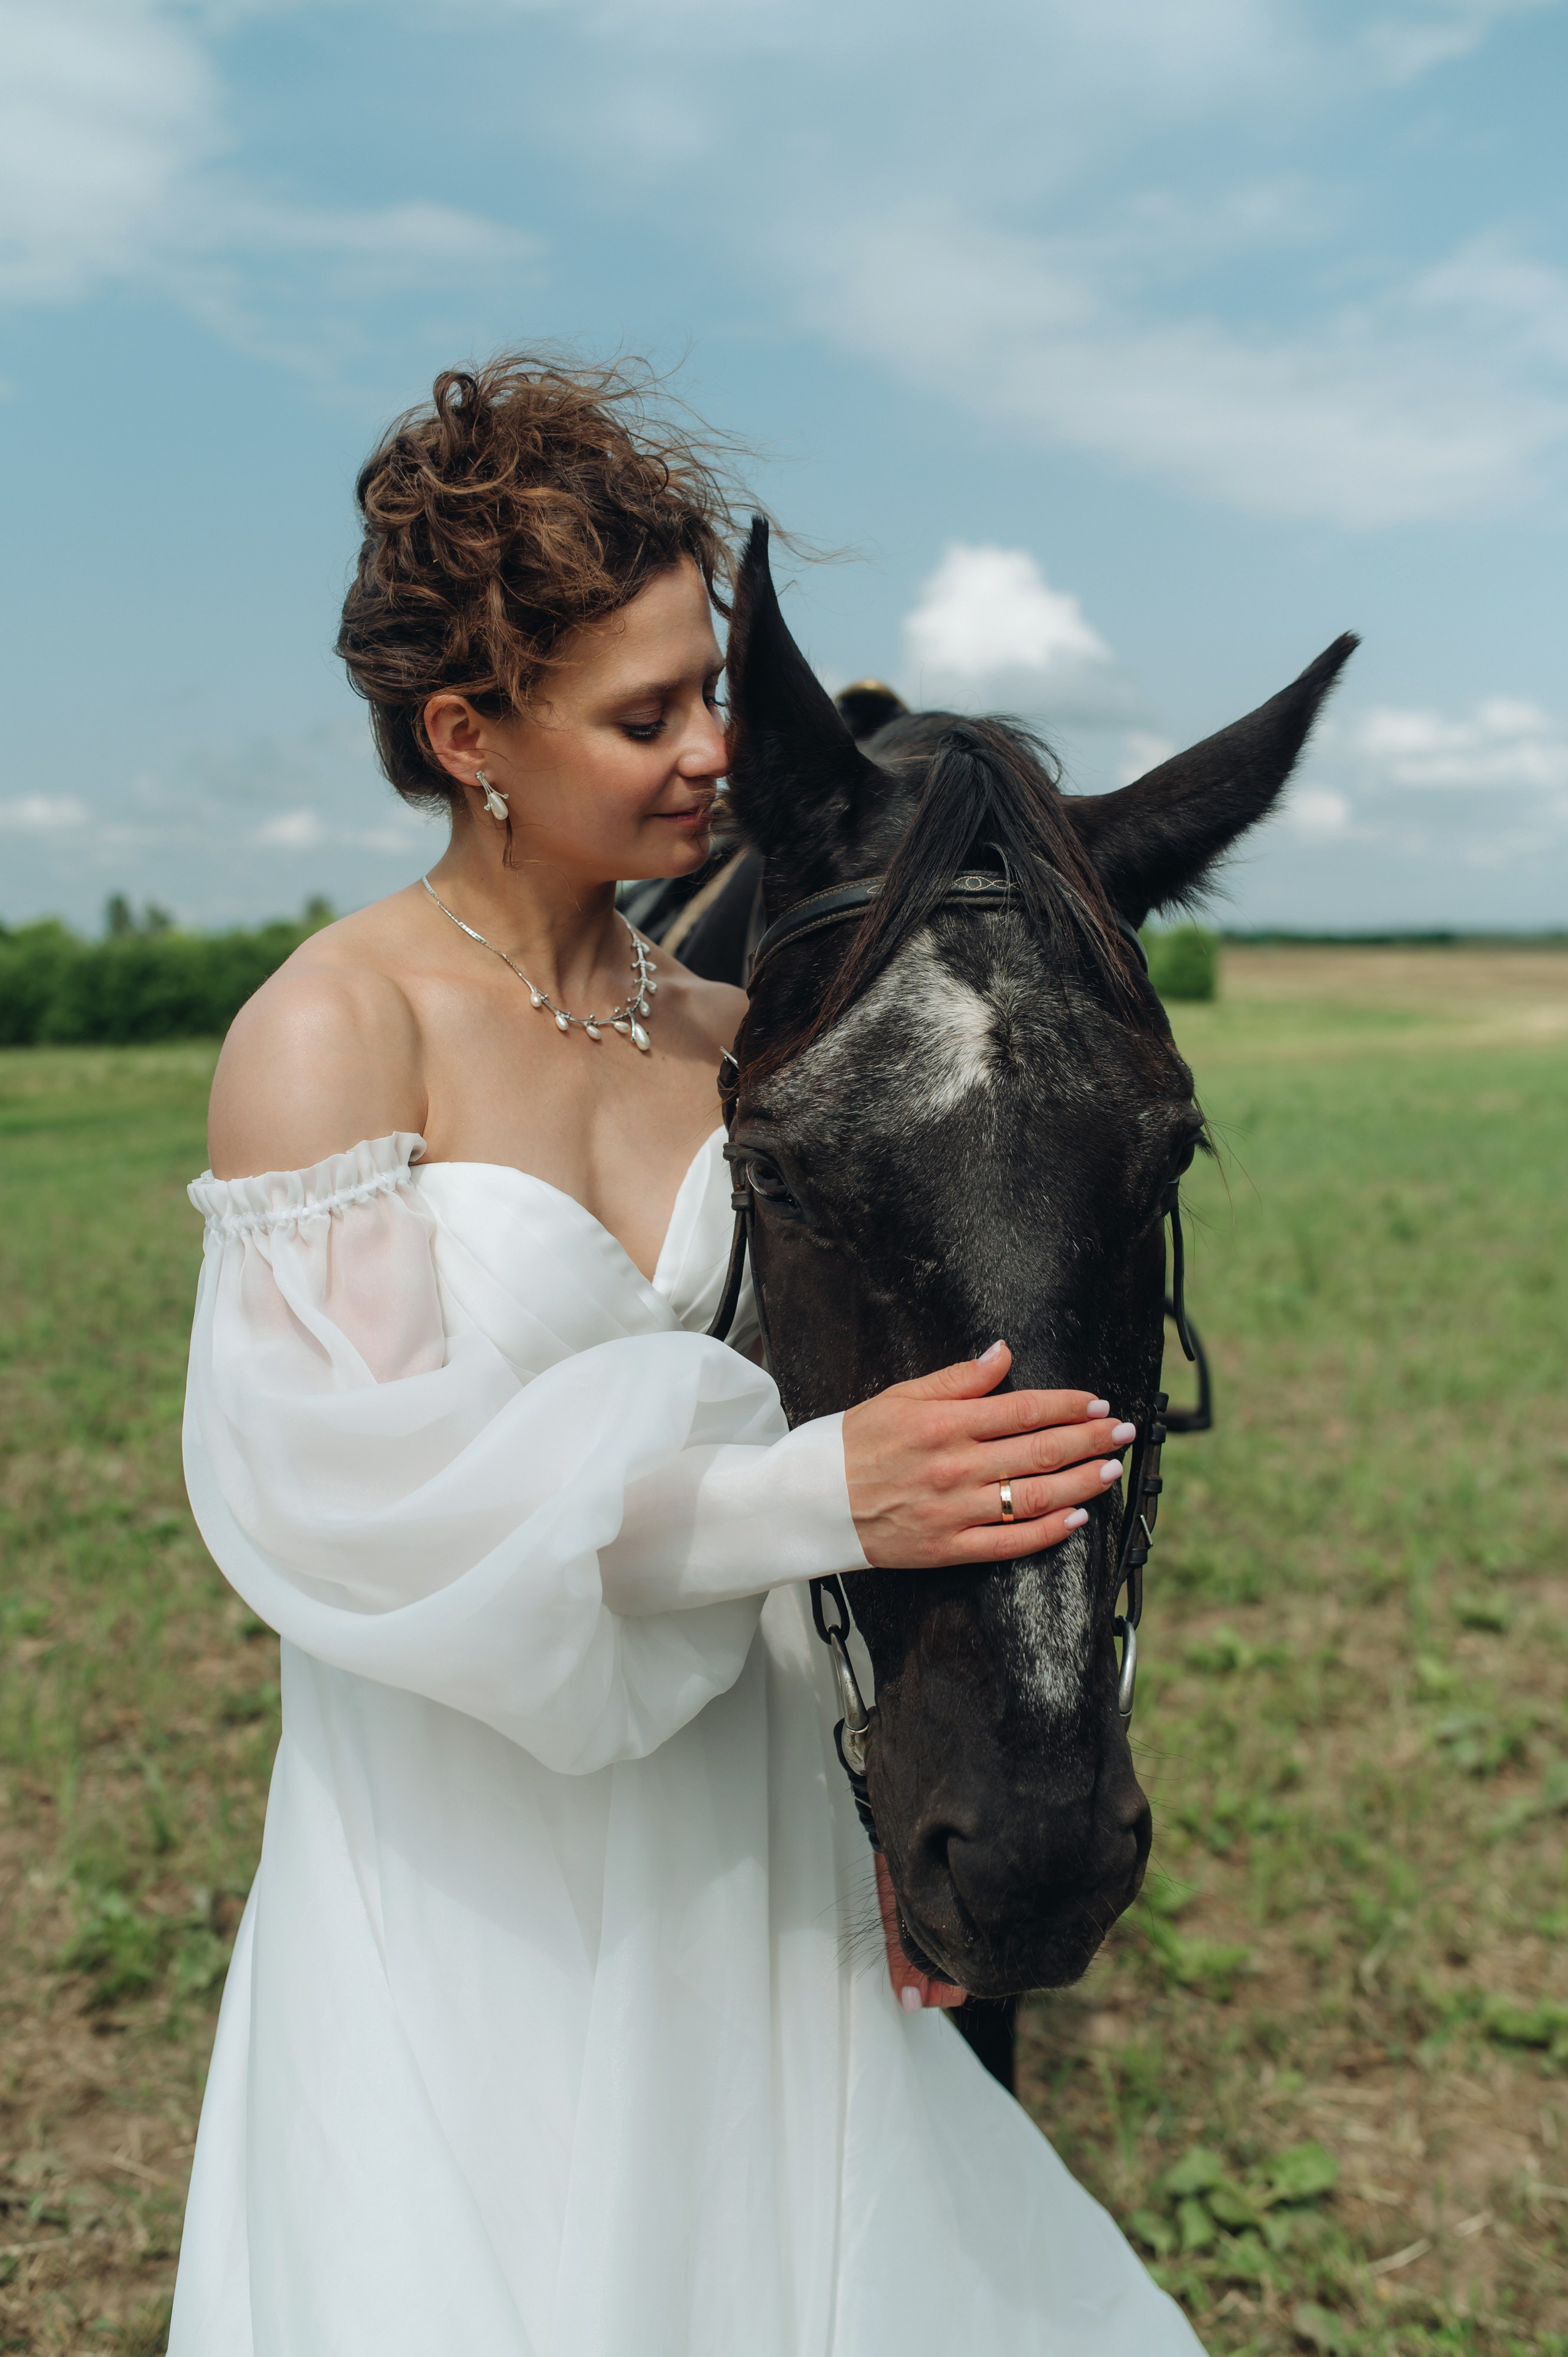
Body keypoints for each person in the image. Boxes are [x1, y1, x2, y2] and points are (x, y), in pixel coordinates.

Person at [172, 355, 1203, 2355]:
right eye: (645, 715)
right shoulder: (331, 1038)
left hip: (731, 1821)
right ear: (468, 734)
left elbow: (832, 1431)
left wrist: (892, 1810)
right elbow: (365, 1515)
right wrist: (812, 1494)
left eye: (709, 695)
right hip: (475, 1851)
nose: (714, 758)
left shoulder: (741, 1045)